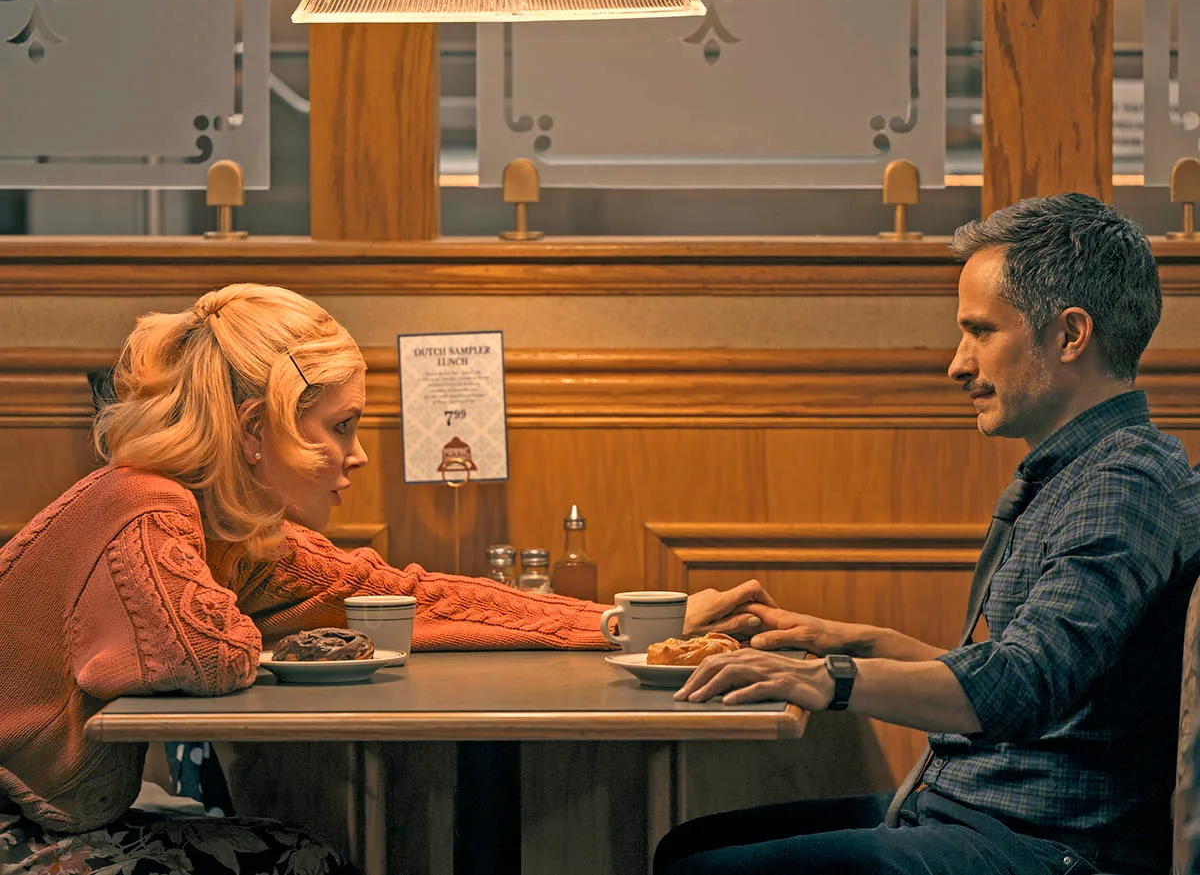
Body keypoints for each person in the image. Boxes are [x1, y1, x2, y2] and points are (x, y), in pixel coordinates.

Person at [0, 282, 772, 875]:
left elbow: (402, 591)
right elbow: (203, 653)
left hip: (63, 818)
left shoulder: (228, 530)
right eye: (341, 426)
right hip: (15, 835)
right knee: (306, 861)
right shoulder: (146, 503)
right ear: (253, 432)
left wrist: (621, 622)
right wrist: (268, 618)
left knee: (310, 855)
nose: (358, 454)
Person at [656, 193, 1200, 875]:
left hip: (1042, 844)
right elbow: (1019, 668)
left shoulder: (1126, 482)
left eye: (980, 332)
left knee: (697, 870)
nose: (957, 364)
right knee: (686, 849)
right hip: (977, 811)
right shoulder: (1090, 471)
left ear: (1069, 335)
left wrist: (830, 677)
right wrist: (846, 640)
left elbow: (1023, 682)